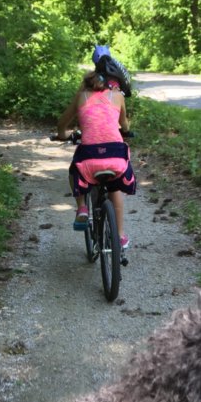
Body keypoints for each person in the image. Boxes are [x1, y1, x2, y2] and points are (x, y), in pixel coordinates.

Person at [57, 48, 136, 251]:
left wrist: (63, 134)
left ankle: (82, 208)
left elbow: (62, 124)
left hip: (89, 157)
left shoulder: (81, 96)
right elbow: (124, 126)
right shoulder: (117, 96)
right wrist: (124, 131)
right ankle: (119, 236)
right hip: (115, 157)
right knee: (115, 188)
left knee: (74, 170)